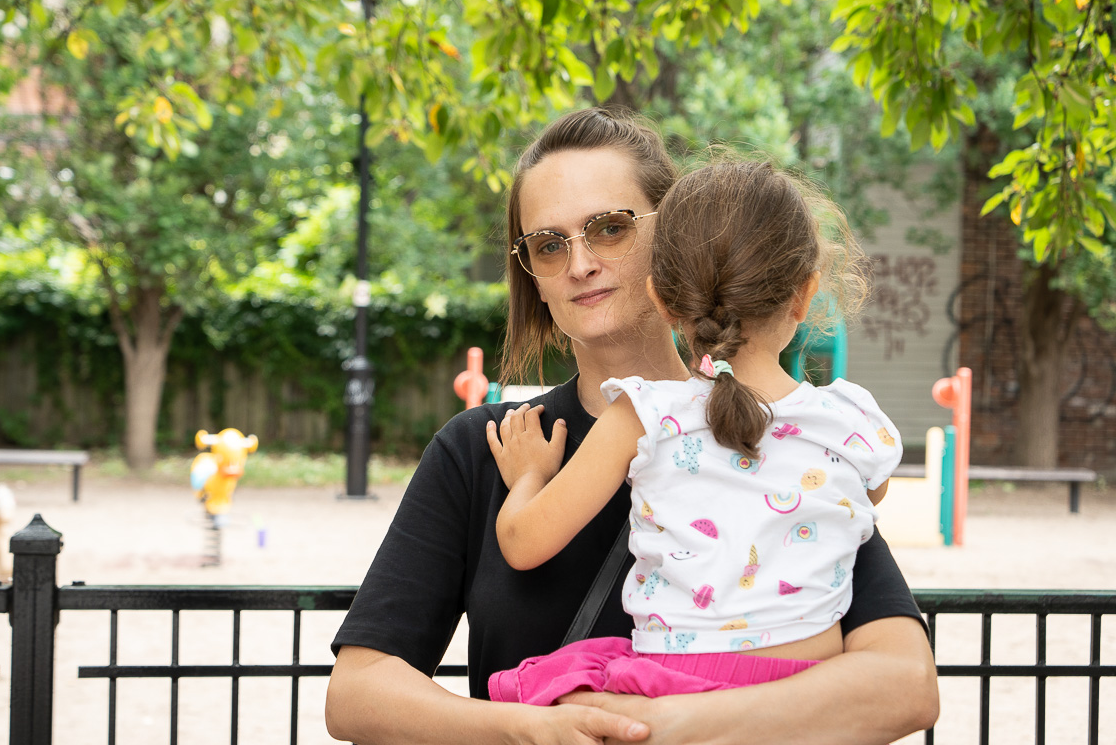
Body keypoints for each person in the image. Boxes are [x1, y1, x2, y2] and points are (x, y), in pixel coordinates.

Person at [326, 107, 939, 745]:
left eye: (610, 228)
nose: (580, 263)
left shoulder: (789, 439)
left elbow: (904, 686)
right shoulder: (483, 449)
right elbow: (357, 694)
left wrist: (665, 725)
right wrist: (525, 729)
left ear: (675, 239)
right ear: (532, 273)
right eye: (548, 244)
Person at [486, 158, 899, 707]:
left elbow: (522, 544)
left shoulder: (644, 414)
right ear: (805, 293)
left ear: (661, 298)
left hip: (676, 686)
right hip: (803, 695)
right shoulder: (853, 419)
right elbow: (871, 495)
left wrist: (530, 475)